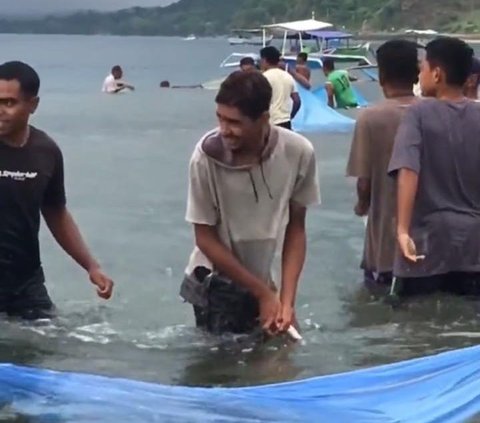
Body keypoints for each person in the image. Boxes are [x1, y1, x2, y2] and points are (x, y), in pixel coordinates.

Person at [180, 70, 320, 336]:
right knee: (230, 371)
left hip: (264, 279)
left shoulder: (298, 152)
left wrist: (286, 301)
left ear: (264, 120)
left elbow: (297, 228)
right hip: (215, 282)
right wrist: (263, 294)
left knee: (285, 358)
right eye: (219, 118)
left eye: (234, 122)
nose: (224, 130)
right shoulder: (205, 157)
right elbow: (204, 238)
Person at [0, 61, 114, 319]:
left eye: (9, 103)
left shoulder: (45, 151)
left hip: (26, 283)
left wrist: (91, 266)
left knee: (50, 348)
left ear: (33, 105)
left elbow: (56, 212)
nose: (1, 111)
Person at [388, 37, 480, 297]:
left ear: (437, 74)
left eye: (424, 68)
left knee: (417, 326)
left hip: (427, 243)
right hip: (474, 247)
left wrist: (403, 230)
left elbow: (408, 170)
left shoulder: (418, 114)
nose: (419, 74)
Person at [346, 40, 419, 291]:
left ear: (381, 75)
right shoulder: (434, 111)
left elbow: (364, 182)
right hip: (433, 244)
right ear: (418, 72)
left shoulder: (370, 118)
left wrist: (361, 206)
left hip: (385, 247)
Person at [260, 46, 301, 130]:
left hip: (270, 123)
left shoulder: (264, 78)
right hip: (286, 122)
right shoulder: (288, 76)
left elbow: (258, 101)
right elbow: (297, 101)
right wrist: (290, 116)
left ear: (264, 60)